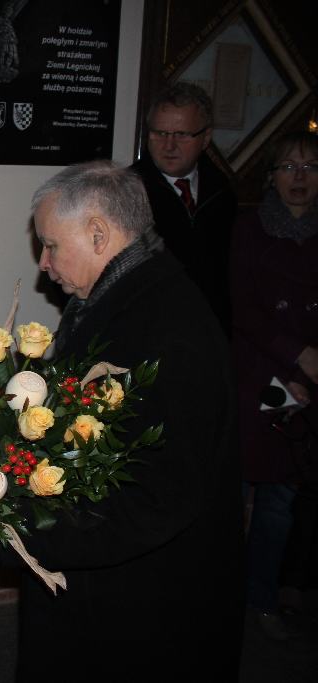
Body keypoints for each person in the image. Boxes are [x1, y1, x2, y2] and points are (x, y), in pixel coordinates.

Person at [17, 161, 243, 680]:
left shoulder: (168, 330)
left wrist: (30, 530)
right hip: (109, 585)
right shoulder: (118, 298)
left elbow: (159, 495)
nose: (44, 264)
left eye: (51, 245)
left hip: (146, 603)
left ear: (98, 234)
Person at [231, 131, 318, 640]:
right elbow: (242, 308)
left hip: (308, 386)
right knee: (234, 496)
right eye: (289, 166)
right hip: (256, 377)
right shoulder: (250, 229)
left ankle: (261, 597)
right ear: (271, 177)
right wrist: (295, 359)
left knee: (280, 505)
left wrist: (307, 373)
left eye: (310, 166)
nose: (299, 177)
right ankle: (218, 597)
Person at [131, 82, 237, 335]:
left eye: (181, 135)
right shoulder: (125, 192)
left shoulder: (222, 192)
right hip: (148, 334)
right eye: (159, 133)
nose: (169, 145)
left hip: (209, 333)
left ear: (206, 138)